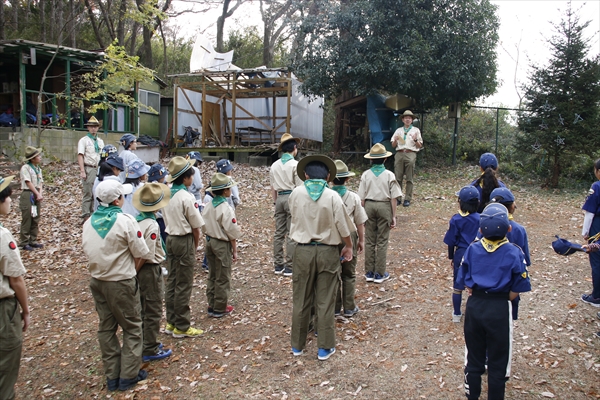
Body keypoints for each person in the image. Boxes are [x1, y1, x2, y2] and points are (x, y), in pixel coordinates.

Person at [457, 203, 531, 400]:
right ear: (509, 228)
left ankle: (472, 395)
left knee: (474, 357)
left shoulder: (472, 249)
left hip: (475, 306)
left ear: (480, 230)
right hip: (499, 308)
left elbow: (464, 279)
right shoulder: (514, 252)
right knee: (498, 362)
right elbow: (520, 284)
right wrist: (504, 297)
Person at [82, 179, 150, 392]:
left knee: (106, 327)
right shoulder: (125, 221)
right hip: (120, 281)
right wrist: (131, 270)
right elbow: (142, 252)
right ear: (118, 199)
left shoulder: (89, 222)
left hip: (97, 281)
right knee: (132, 326)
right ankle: (129, 375)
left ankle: (112, 374)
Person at [288, 155, 354, 361]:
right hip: (327, 251)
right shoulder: (333, 196)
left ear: (305, 175)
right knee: (325, 299)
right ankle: (324, 347)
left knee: (301, 298)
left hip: (302, 251)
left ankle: (297, 345)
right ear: (328, 176)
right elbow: (343, 226)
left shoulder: (295, 194)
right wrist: (349, 246)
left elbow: (294, 216)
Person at [162, 156, 205, 338]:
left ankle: (171, 321)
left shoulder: (166, 194)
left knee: (172, 280)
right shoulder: (186, 197)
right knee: (183, 282)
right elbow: (196, 226)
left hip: (170, 238)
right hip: (183, 239)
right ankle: (182, 325)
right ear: (186, 178)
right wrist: (194, 246)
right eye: (191, 176)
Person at [132, 183, 173, 362]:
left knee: (144, 307)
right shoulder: (151, 225)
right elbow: (145, 253)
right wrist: (134, 273)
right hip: (148, 269)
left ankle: (145, 341)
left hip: (141, 268)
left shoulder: (138, 220)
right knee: (152, 307)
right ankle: (149, 346)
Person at [0, 175, 31, 400]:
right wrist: (26, 310)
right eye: (7, 197)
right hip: (3, 311)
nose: (10, 201)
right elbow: (15, 279)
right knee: (5, 366)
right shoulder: (2, 236)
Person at [358, 143, 403, 284]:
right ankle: (380, 273)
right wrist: (393, 216)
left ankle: (369, 272)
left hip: (369, 206)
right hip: (384, 205)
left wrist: (363, 214)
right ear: (385, 159)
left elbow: (361, 198)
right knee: (382, 240)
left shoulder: (366, 174)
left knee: (370, 240)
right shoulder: (389, 175)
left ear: (371, 160)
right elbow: (394, 197)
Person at [202, 173, 242, 318]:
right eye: (229, 188)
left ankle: (212, 302)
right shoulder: (225, 208)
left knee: (212, 273)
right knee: (223, 274)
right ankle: (220, 306)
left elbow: (203, 225)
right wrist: (235, 250)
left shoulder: (208, 205)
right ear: (225, 191)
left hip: (209, 241)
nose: (231, 190)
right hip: (221, 243)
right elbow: (231, 231)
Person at [488, 187, 531, 320]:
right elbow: (526, 260)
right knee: (507, 323)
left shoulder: (484, 227)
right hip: (510, 284)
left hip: (488, 282)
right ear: (511, 207)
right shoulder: (518, 229)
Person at [331, 160, 367, 317]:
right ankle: (349, 307)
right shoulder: (353, 197)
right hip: (350, 236)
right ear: (347, 179)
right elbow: (359, 222)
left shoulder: (327, 196)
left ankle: (335, 307)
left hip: (331, 237)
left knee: (333, 273)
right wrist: (361, 240)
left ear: (330, 179)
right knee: (349, 273)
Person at [443, 186, 480, 323]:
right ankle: (474, 314)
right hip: (477, 252)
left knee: (458, 286)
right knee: (475, 283)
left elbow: (451, 241)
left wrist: (452, 257)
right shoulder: (480, 218)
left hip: (461, 253)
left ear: (461, 202)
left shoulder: (456, 219)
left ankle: (456, 314)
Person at [269, 133, 303, 276]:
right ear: (294, 148)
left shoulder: (274, 165)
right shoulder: (296, 165)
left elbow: (273, 187)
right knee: (291, 233)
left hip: (279, 199)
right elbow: (300, 187)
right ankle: (289, 266)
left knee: (278, 233)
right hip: (292, 197)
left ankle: (278, 265)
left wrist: (275, 201)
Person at [391, 110, 423, 207]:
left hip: (410, 153)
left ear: (412, 120)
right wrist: (396, 140)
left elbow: (419, 146)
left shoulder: (416, 130)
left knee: (409, 177)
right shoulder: (398, 130)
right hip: (399, 153)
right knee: (398, 177)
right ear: (403, 120)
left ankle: (407, 199)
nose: (407, 120)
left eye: (409, 118)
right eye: (406, 118)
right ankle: (398, 198)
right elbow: (393, 145)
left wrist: (415, 139)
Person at [77, 116, 105, 221]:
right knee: (88, 192)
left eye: (95, 126)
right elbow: (80, 155)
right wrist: (82, 171)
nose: (93, 129)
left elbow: (103, 155)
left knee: (96, 192)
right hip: (89, 167)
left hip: (98, 168)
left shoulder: (100, 141)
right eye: (91, 126)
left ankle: (94, 212)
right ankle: (85, 215)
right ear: (88, 127)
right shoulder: (84, 141)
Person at [581, 158, 600, 307]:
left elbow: (590, 212)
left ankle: (597, 297)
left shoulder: (597, 186)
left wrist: (586, 232)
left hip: (598, 226)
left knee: (597, 260)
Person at [19, 146, 44, 251]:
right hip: (28, 194)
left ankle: (33, 240)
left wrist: (40, 194)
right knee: (27, 218)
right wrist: (36, 193)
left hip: (36, 193)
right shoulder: (26, 168)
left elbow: (41, 182)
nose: (40, 157)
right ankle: (24, 241)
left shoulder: (38, 169)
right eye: (38, 156)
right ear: (32, 158)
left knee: (36, 218)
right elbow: (28, 182)